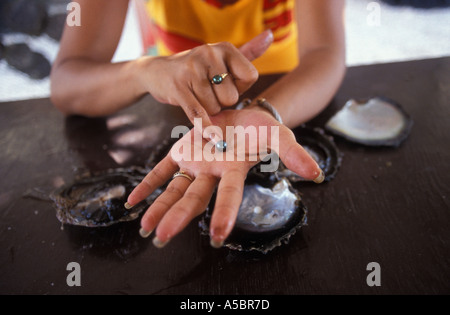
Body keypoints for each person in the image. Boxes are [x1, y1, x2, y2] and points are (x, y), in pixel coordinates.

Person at [50, 0, 346, 249]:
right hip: (179, 107)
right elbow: (66, 83)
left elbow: (324, 53)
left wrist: (265, 111)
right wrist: (143, 72)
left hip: (294, 89)